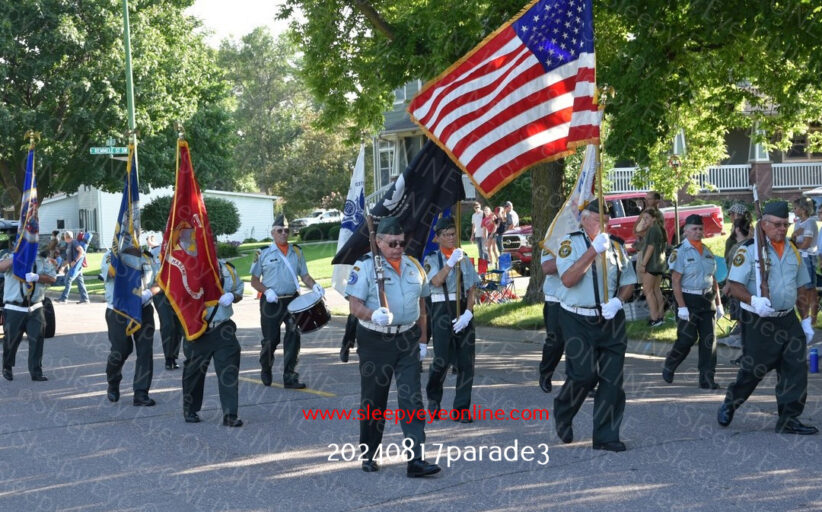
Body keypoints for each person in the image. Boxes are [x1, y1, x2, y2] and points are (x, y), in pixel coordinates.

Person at [345, 216, 440, 477]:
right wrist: (371, 314)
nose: (398, 248)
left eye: (401, 242)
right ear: (377, 241)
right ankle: (369, 453)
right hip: (376, 341)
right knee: (375, 400)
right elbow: (354, 306)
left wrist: (422, 341)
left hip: (407, 339)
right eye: (392, 243)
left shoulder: (414, 266)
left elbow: (422, 308)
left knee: (412, 400)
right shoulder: (365, 267)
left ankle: (416, 460)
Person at [718, 201, 818, 435]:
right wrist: (754, 301)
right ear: (763, 225)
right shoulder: (749, 250)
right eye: (776, 224)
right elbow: (734, 286)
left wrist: (805, 319)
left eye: (785, 224)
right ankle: (731, 402)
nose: (782, 229)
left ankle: (788, 418)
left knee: (795, 367)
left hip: (787, 318)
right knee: (754, 370)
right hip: (759, 320)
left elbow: (802, 287)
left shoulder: (792, 249)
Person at [553, 199, 637, 452]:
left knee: (612, 381)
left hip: (610, 318)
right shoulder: (570, 244)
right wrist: (592, 252)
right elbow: (567, 280)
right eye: (599, 218)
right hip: (577, 318)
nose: (605, 223)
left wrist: (619, 301)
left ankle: (606, 436)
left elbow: (629, 281)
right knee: (583, 375)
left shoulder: (615, 247)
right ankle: (563, 410)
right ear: (584, 219)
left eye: (607, 219)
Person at [250, 216, 324, 389]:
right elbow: (254, 280)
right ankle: (266, 366)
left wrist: (315, 286)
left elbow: (304, 275)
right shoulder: (263, 253)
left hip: (292, 300)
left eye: (286, 230)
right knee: (271, 340)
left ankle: (290, 376)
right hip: (271, 302)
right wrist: (266, 291)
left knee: (293, 337)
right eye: (280, 231)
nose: (284, 234)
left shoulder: (296, 251)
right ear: (272, 233)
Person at [423, 217, 480, 422]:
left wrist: (468, 313)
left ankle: (461, 409)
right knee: (441, 361)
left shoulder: (464, 258)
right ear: (437, 238)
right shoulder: (432, 259)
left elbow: (472, 288)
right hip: (441, 311)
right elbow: (435, 282)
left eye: (454, 234)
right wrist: (449, 263)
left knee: (466, 363)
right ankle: (434, 398)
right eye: (446, 235)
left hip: (462, 312)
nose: (451, 238)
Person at [182, 259, 244, 427]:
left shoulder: (227, 268)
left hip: (223, 328)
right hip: (198, 330)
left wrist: (233, 296)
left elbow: (239, 291)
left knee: (228, 372)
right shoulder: (188, 268)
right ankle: (190, 409)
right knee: (194, 373)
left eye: (213, 242)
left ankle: (230, 414)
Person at [663, 215, 722, 389]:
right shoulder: (679, 252)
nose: (698, 232)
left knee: (709, 340)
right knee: (687, 339)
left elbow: (713, 278)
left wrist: (718, 304)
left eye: (700, 229)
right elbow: (675, 281)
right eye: (694, 229)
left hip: (707, 299)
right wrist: (682, 307)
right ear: (685, 231)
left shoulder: (707, 251)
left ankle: (707, 378)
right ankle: (670, 364)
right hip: (688, 298)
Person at [101, 246, 159, 406]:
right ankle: (113, 381)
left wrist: (148, 293)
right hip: (119, 311)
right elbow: (112, 274)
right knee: (121, 350)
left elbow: (159, 282)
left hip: (143, 309)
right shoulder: (110, 256)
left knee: (145, 351)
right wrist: (124, 257)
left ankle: (141, 393)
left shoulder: (147, 257)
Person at [0, 251, 57, 381]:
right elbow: (1, 267)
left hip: (35, 307)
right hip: (15, 307)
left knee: (37, 340)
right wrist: (15, 258)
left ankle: (36, 371)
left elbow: (52, 278)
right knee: (11, 341)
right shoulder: (9, 256)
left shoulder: (42, 258)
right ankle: (7, 367)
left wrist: (37, 277)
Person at [146, 235, 184, 370]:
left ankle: (174, 356)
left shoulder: (181, 251)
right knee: (168, 324)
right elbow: (151, 274)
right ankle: (168, 358)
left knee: (179, 325)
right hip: (160, 293)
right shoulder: (155, 252)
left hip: (177, 293)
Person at [538, 248, 565, 393]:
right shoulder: (553, 239)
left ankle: (585, 383)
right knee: (555, 342)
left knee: (582, 343)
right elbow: (547, 267)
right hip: (556, 298)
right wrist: (572, 257)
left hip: (580, 298)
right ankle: (546, 373)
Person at [635, 208, 667, 326]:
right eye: (643, 218)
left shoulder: (653, 230)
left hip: (652, 265)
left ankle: (654, 318)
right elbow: (638, 230)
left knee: (648, 291)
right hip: (658, 264)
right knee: (656, 290)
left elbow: (650, 247)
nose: (645, 220)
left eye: (647, 218)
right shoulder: (657, 229)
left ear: (654, 218)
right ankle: (660, 316)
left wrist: (643, 264)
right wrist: (644, 223)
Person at [791, 197, 818, 333]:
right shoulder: (798, 223)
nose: (794, 210)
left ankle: (812, 317)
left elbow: (806, 243)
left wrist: (796, 243)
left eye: (795, 208)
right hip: (799, 257)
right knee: (802, 288)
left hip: (808, 258)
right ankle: (805, 317)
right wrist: (795, 240)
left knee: (809, 289)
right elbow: (793, 238)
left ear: (803, 209)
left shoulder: (810, 223)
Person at [56, 230, 89, 304]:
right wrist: (63, 267)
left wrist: (75, 261)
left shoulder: (74, 242)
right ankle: (85, 299)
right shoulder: (69, 244)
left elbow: (81, 251)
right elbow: (69, 259)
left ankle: (63, 298)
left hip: (76, 266)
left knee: (68, 279)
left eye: (64, 236)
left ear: (66, 237)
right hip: (76, 266)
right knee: (80, 282)